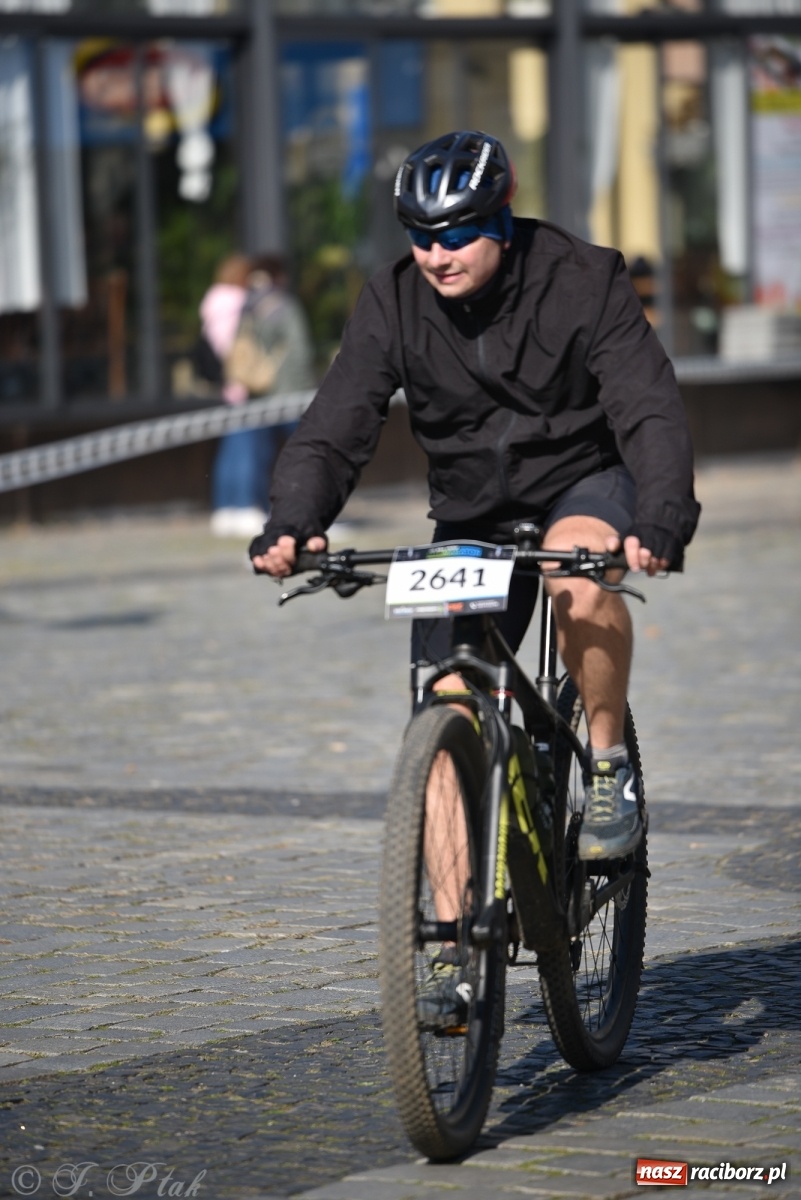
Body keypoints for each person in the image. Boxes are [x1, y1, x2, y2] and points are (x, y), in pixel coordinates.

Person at [249, 128, 700, 863]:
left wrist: (660, 517)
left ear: (497, 223)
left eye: (455, 234)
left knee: (574, 573)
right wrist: (292, 521)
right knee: (447, 707)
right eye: (420, 237)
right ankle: (454, 958)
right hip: (471, 507)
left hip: (583, 478)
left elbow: (647, 406)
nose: (435, 255)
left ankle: (609, 766)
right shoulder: (393, 301)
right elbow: (336, 423)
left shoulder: (582, 281)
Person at [208, 252, 315, 538]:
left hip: (249, 388)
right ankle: (298, 511)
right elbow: (299, 351)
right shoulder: (278, 304)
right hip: (282, 393)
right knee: (306, 453)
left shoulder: (248, 305)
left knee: (241, 450)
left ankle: (232, 507)